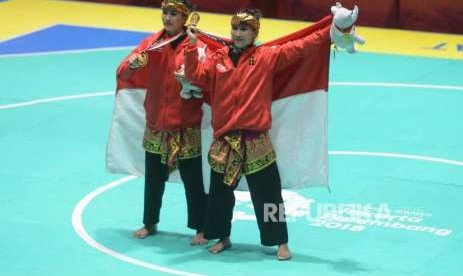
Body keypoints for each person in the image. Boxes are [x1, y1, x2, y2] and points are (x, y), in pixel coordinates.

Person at [184, 8, 334, 260]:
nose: (238, 33)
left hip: (255, 141)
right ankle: (223, 236)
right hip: (225, 140)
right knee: (219, 195)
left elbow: (301, 46)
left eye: (244, 29)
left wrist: (329, 32)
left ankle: (281, 242)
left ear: (255, 32)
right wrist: (190, 48)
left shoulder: (266, 56)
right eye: (235, 28)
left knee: (268, 195)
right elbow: (195, 77)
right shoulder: (217, 57)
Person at [116, 0, 208, 245]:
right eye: (165, 13)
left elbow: (209, 78)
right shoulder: (151, 44)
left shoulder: (197, 44)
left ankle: (200, 227)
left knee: (192, 181)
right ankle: (149, 222)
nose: (167, 18)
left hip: (186, 123)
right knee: (153, 180)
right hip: (157, 123)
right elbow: (122, 72)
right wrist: (131, 66)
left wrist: (191, 80)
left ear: (185, 18)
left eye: (173, 14)